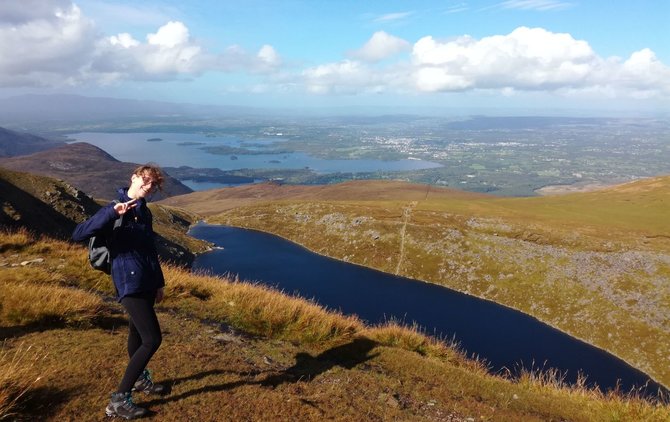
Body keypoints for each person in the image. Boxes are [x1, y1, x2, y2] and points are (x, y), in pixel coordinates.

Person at [72, 164, 167, 419]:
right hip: (128, 282)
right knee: (152, 339)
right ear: (134, 177)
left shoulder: (144, 212)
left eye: (153, 185)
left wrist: (159, 282)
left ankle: (140, 381)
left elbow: (149, 250)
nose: (148, 187)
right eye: (146, 181)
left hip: (146, 280)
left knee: (137, 332)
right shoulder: (114, 208)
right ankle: (119, 400)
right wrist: (112, 214)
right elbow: (79, 233)